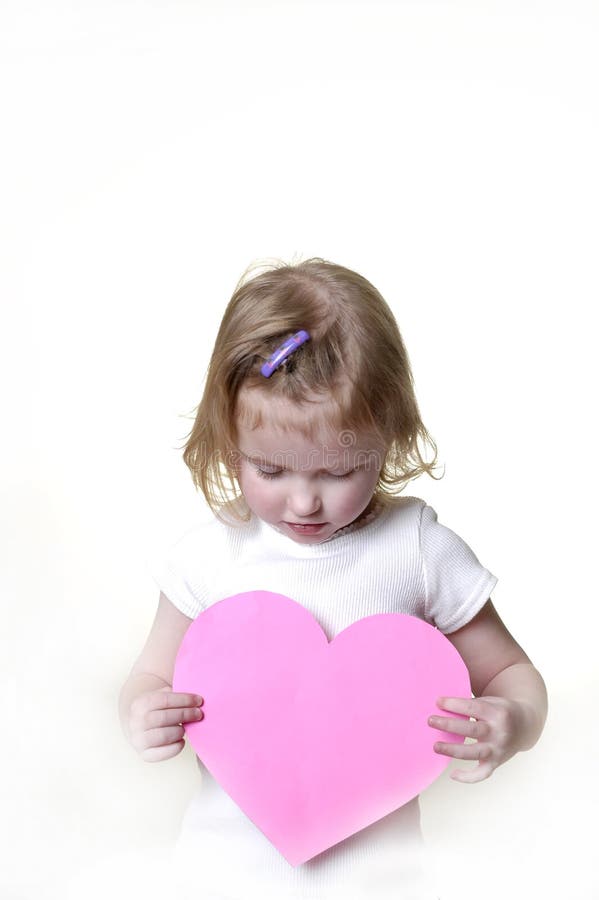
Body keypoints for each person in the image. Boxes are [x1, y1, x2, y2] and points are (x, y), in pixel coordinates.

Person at [119, 258, 547, 900]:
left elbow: (514, 676)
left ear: (389, 437)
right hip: (221, 875)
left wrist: (511, 722)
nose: (303, 503)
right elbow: (150, 676)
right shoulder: (209, 558)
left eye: (338, 472)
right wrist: (142, 713)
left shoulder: (419, 552)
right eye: (269, 469)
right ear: (227, 437)